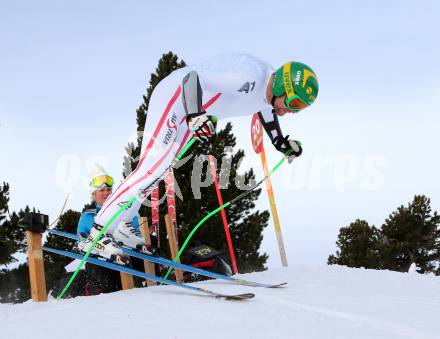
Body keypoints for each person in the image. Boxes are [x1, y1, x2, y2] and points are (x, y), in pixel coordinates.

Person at [81, 53, 319, 264]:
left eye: (299, 108)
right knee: (151, 168)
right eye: (293, 102)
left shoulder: (268, 93)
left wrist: (280, 142)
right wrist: (195, 115)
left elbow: (265, 109)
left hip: (191, 108)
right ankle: (96, 234)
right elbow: (193, 79)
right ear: (280, 86)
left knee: (160, 171)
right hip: (176, 97)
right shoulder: (250, 78)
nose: (292, 110)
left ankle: (122, 225)